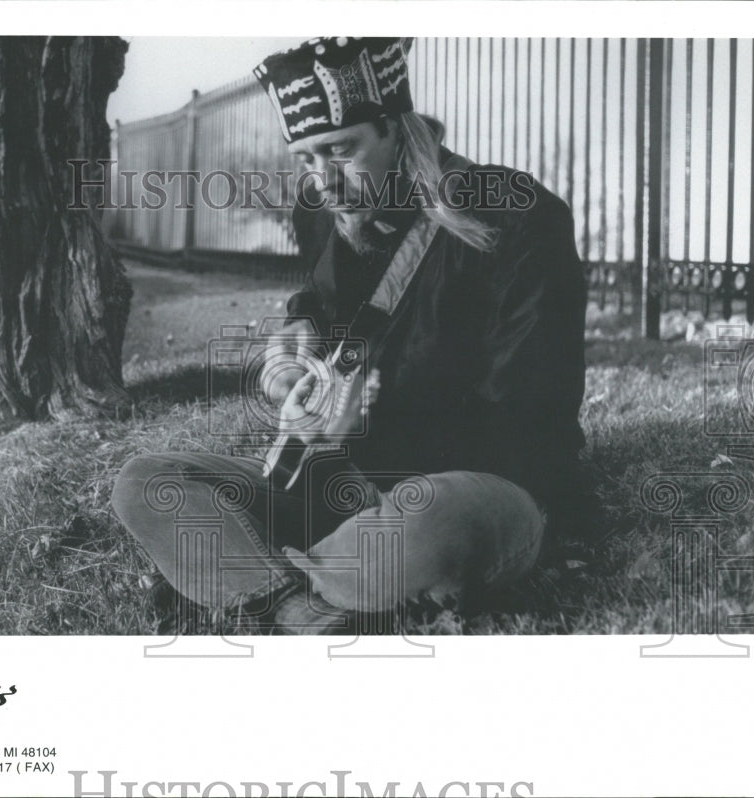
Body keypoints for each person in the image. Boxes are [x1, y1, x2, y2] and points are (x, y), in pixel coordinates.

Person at [111, 36, 587, 633]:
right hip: (342, 487)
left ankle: (241, 581)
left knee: (432, 522)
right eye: (306, 158)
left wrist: (376, 416)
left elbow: (532, 415)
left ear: (396, 128)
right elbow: (318, 301)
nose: (323, 180)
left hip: (475, 485)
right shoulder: (321, 211)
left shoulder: (518, 215)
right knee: (147, 481)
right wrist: (293, 346)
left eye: (340, 150)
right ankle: (299, 604)